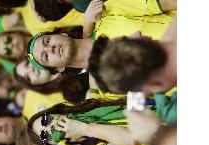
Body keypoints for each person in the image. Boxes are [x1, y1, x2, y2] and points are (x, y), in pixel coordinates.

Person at [19, 98, 158, 145]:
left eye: (45, 121)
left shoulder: (93, 102)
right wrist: (83, 129)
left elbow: (138, 96)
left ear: (54, 112)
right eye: (45, 134)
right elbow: (129, 140)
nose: (49, 127)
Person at [26, 0, 176, 72]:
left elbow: (170, 3)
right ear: (59, 69)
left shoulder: (107, 12)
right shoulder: (106, 87)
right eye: (45, 56)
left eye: (47, 41)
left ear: (62, 33)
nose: (50, 48)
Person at [14, 59, 89, 103]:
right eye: (28, 77)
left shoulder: (64, 52)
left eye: (27, 64)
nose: (31, 69)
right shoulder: (71, 94)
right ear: (35, 85)